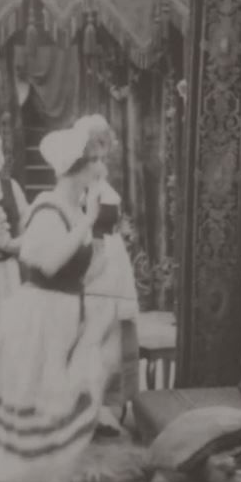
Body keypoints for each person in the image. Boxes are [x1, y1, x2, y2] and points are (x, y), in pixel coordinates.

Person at [0, 127, 129, 482]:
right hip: (40, 322)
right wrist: (87, 222)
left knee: (60, 429)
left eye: (101, 159)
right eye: (95, 160)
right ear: (74, 167)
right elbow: (46, 263)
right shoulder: (49, 206)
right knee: (42, 428)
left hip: (63, 316)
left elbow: (80, 272)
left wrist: (102, 242)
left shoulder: (75, 208)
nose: (101, 168)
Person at [73, 114, 140, 430]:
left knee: (114, 336)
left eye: (103, 146)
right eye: (94, 148)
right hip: (92, 257)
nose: (100, 154)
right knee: (91, 332)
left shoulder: (104, 181)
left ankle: (107, 404)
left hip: (114, 258)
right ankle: (85, 407)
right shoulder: (80, 184)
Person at [0, 128, 28, 430]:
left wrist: (8, 244)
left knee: (7, 340)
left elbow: (28, 233)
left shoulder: (11, 188)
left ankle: (5, 411)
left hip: (8, 276)